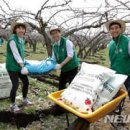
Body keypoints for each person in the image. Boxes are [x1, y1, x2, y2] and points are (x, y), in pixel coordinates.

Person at [6, 22, 32, 112]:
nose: (21, 30)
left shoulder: (21, 39)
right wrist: (22, 66)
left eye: (23, 28)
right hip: (12, 66)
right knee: (15, 85)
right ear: (15, 30)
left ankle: (24, 99)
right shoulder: (13, 40)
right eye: (19, 28)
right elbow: (16, 55)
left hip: (20, 65)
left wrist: (24, 63)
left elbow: (21, 53)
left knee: (26, 82)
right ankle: (12, 104)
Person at [106, 20, 130, 99]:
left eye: (116, 28)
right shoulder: (110, 44)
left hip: (128, 74)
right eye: (112, 29)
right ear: (110, 31)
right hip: (115, 74)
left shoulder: (128, 41)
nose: (114, 30)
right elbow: (111, 60)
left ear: (120, 29)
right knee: (111, 93)